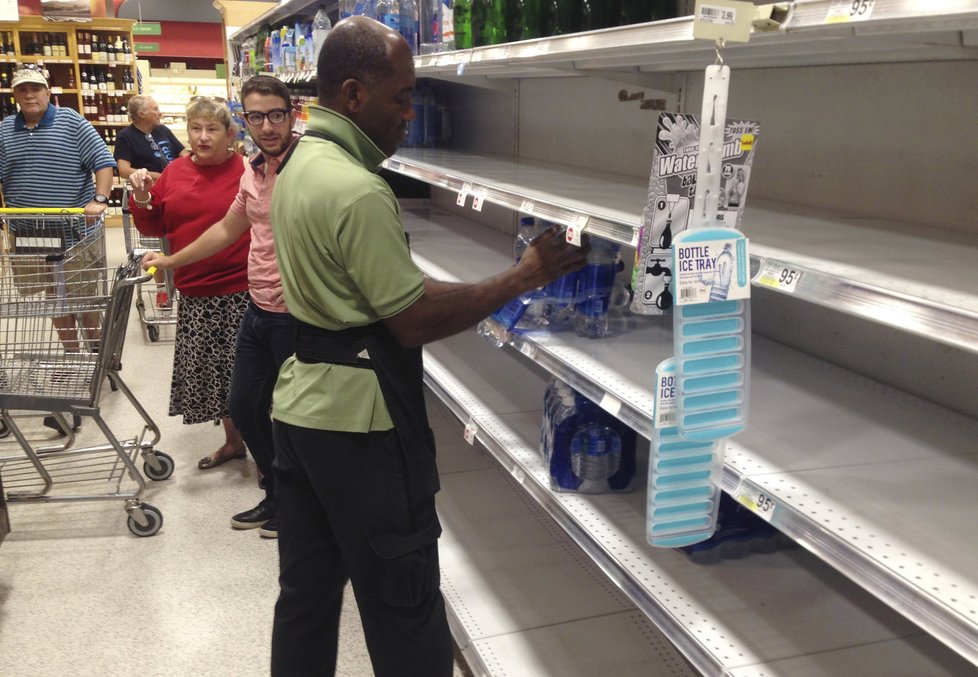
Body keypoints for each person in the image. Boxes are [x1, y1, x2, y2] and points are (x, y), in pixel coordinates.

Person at [268, 17, 588, 677]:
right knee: (403, 605)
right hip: (362, 424)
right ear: (354, 95)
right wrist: (523, 275)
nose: (410, 114)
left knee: (307, 594)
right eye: (401, 97)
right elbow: (410, 319)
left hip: (300, 406)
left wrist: (464, 284)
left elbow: (376, 287)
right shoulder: (359, 190)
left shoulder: (300, 164)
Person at [141, 76, 298, 538]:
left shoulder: (305, 165)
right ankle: (279, 492)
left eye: (276, 114)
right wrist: (170, 259)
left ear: (291, 115)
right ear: (244, 122)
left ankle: (292, 502)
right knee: (244, 406)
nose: (267, 125)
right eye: (256, 116)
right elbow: (227, 229)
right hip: (259, 305)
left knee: (289, 413)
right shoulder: (254, 170)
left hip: (292, 309)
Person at [128, 97, 251, 471]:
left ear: (229, 134)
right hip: (196, 290)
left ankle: (269, 449)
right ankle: (233, 442)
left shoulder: (246, 170)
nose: (203, 136)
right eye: (196, 128)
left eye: (212, 129)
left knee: (249, 376)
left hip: (243, 289)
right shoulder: (175, 172)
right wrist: (143, 197)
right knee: (215, 373)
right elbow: (153, 226)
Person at [0, 65, 116, 433]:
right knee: (53, 297)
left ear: (48, 92)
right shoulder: (4, 131)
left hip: (75, 230)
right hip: (28, 231)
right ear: (14, 96)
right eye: (22, 91)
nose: (29, 95)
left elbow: (102, 163)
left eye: (36, 89)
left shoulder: (72, 122)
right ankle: (73, 354)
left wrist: (99, 199)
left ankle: (96, 353)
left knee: (82, 297)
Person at [115, 94, 188, 309]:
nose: (160, 112)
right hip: (150, 196)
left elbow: (182, 153)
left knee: (178, 240)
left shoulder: (163, 130)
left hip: (177, 191)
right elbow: (123, 169)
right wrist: (155, 176)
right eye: (155, 108)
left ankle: (180, 284)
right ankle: (162, 290)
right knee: (157, 245)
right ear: (141, 113)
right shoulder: (126, 136)